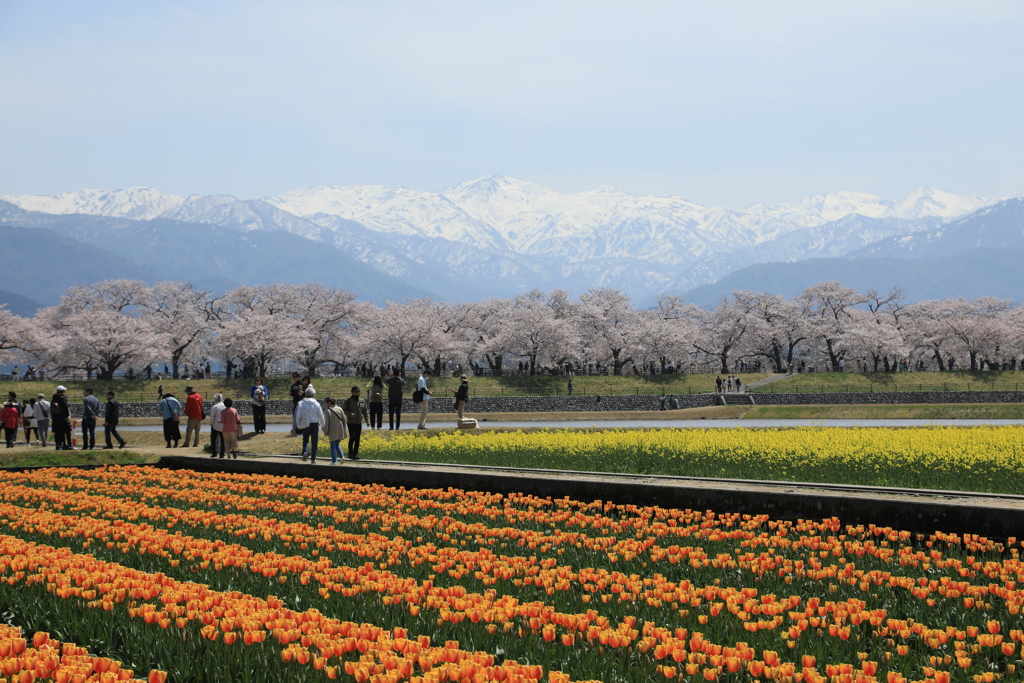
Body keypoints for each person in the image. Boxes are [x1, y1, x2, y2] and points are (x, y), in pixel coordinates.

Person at [295, 387, 324, 463]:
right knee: (314, 442)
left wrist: (298, 424)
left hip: (305, 424)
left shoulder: (301, 403)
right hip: (314, 423)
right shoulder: (316, 403)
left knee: (305, 439)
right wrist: (323, 425)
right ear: (313, 395)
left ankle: (305, 452)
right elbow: (321, 416)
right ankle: (313, 459)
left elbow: (298, 415)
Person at [342, 385, 369, 460]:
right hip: (351, 422)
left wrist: (367, 421)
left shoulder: (362, 401)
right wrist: (350, 414)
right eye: (355, 392)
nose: (357, 393)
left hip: (358, 422)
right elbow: (343, 410)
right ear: (352, 392)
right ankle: (350, 453)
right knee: (352, 437)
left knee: (357, 438)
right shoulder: (348, 400)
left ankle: (355, 453)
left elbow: (365, 411)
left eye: (358, 392)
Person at [322, 397, 347, 465]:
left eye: (326, 403)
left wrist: (325, 431)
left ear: (329, 403)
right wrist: (344, 428)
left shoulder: (328, 411)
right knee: (337, 444)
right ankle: (342, 457)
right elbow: (344, 419)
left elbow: (327, 423)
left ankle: (334, 461)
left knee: (332, 445)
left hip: (332, 429)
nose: (325, 404)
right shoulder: (339, 408)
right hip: (340, 429)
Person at [50, 386, 72, 451]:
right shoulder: (62, 398)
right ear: (62, 391)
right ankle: (68, 444)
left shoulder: (53, 398)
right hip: (63, 417)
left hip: (55, 417)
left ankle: (58, 445)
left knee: (58, 432)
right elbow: (65, 407)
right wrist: (68, 415)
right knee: (67, 431)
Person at [209, 393, 225, 458]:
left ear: (215, 399)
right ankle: (222, 453)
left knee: (213, 439)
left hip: (215, 425)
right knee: (223, 440)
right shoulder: (225, 406)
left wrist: (211, 424)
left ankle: (214, 452)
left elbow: (212, 417)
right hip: (223, 425)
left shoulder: (214, 407)